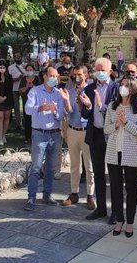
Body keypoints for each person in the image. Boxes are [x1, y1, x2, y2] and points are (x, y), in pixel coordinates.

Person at [23, 66, 71, 211]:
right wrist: (40, 107)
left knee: (51, 168)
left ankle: (47, 194)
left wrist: (56, 111)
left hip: (55, 134)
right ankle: (31, 197)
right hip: (39, 134)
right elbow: (27, 109)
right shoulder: (35, 91)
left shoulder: (58, 93)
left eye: (56, 77)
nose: (54, 79)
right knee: (36, 167)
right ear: (44, 76)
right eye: (52, 76)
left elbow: (63, 115)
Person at [105, 78, 137, 238]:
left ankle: (130, 222)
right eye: (121, 85)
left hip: (131, 153)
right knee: (115, 188)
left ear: (133, 89)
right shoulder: (112, 106)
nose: (123, 88)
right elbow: (106, 129)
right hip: (114, 151)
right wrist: (116, 124)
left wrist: (126, 122)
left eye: (126, 86)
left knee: (131, 188)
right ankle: (119, 219)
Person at [81, 57, 119, 222]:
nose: (99, 73)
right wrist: (88, 105)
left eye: (103, 70)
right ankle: (101, 209)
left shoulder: (116, 89)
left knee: (114, 175)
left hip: (111, 137)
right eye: (97, 70)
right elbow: (84, 114)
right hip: (95, 134)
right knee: (98, 174)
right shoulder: (89, 88)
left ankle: (116, 212)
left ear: (110, 71)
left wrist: (101, 106)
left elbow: (117, 113)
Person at [61, 65, 95, 209]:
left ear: (86, 75)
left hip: (87, 131)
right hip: (73, 130)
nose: (76, 77)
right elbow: (67, 113)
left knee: (89, 166)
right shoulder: (68, 92)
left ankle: (90, 195)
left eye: (79, 74)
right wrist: (68, 100)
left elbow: (95, 110)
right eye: (74, 74)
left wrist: (87, 104)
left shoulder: (92, 91)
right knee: (74, 165)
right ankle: (74, 193)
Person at [19, 63, 37, 142]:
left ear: (34, 70)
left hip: (37, 103)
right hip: (26, 101)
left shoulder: (38, 79)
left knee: (35, 120)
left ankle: (35, 136)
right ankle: (27, 137)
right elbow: (20, 90)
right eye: (28, 70)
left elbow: (41, 89)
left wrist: (33, 86)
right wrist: (27, 87)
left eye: (31, 70)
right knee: (27, 119)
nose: (29, 71)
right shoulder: (23, 79)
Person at [8, 53, 26, 129]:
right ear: (14, 58)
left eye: (19, 56)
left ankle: (26, 122)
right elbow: (9, 79)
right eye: (16, 56)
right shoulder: (10, 67)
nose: (18, 58)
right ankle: (19, 123)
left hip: (24, 88)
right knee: (16, 107)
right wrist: (17, 79)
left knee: (26, 106)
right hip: (14, 89)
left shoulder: (25, 66)